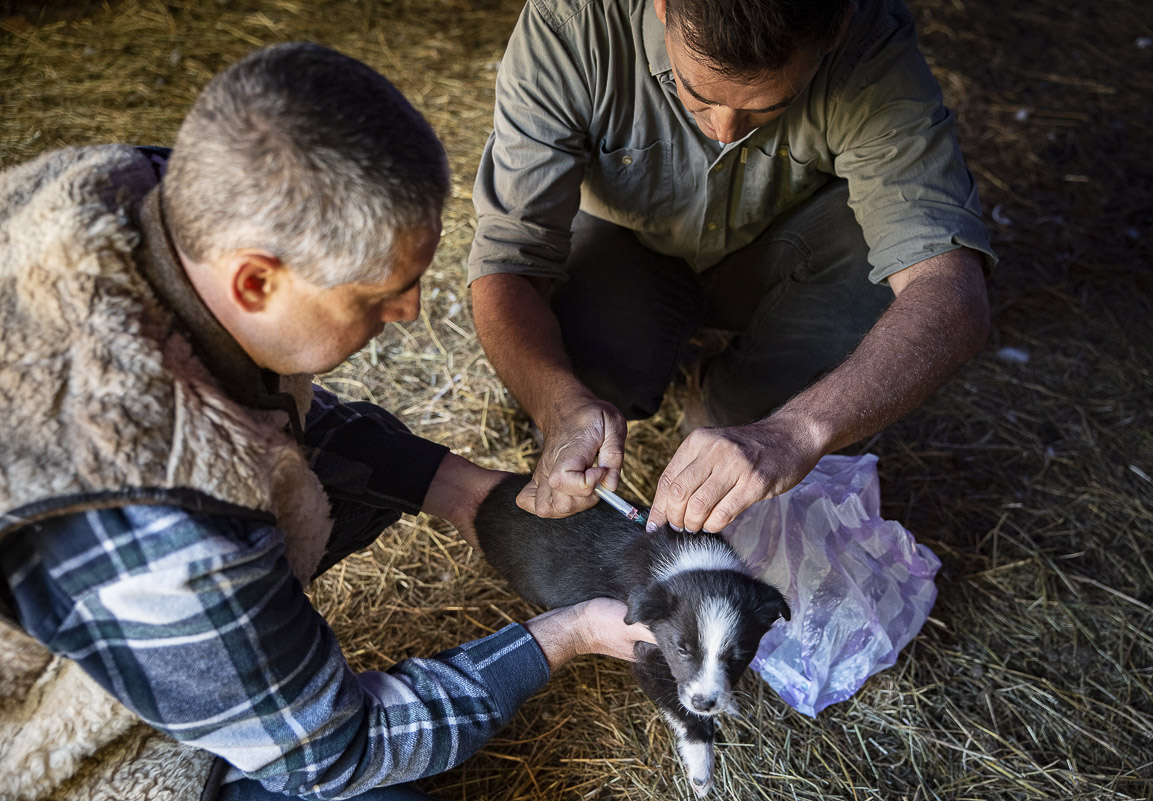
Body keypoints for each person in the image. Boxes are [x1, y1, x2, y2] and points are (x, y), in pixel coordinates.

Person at [0, 43, 651, 801]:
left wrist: (465, 491)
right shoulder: (158, 516)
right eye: (376, 297)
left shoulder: (143, 208)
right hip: (45, 741)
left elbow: (252, 414)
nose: (409, 312)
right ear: (255, 280)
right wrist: (568, 633)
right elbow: (337, 749)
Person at [467, 0, 996, 534]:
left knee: (773, 397)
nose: (723, 131)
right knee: (587, 375)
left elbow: (949, 286)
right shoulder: (573, 22)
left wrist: (795, 433)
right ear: (664, 7)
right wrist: (557, 408)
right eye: (696, 93)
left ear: (835, 29)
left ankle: (732, 401)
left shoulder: (868, 41)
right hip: (625, 239)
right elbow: (510, 258)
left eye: (770, 106)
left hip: (779, 241)